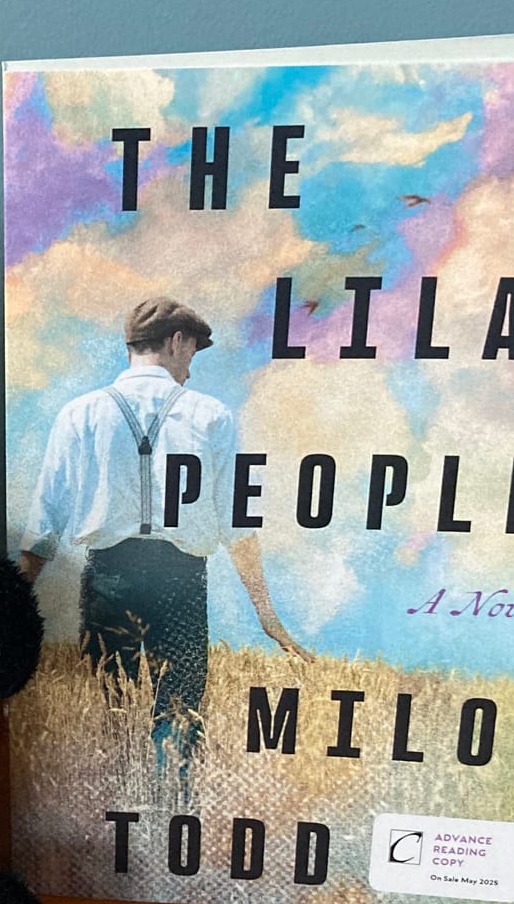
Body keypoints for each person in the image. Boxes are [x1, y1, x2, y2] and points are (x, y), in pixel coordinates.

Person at [19, 296, 302, 761]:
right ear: (175, 342)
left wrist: (17, 596)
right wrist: (267, 615)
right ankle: (171, 806)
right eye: (192, 351)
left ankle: (117, 816)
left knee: (113, 715)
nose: (190, 367)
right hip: (182, 581)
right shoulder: (212, 417)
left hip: (108, 577)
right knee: (180, 716)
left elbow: (44, 523)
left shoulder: (80, 413)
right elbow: (237, 524)